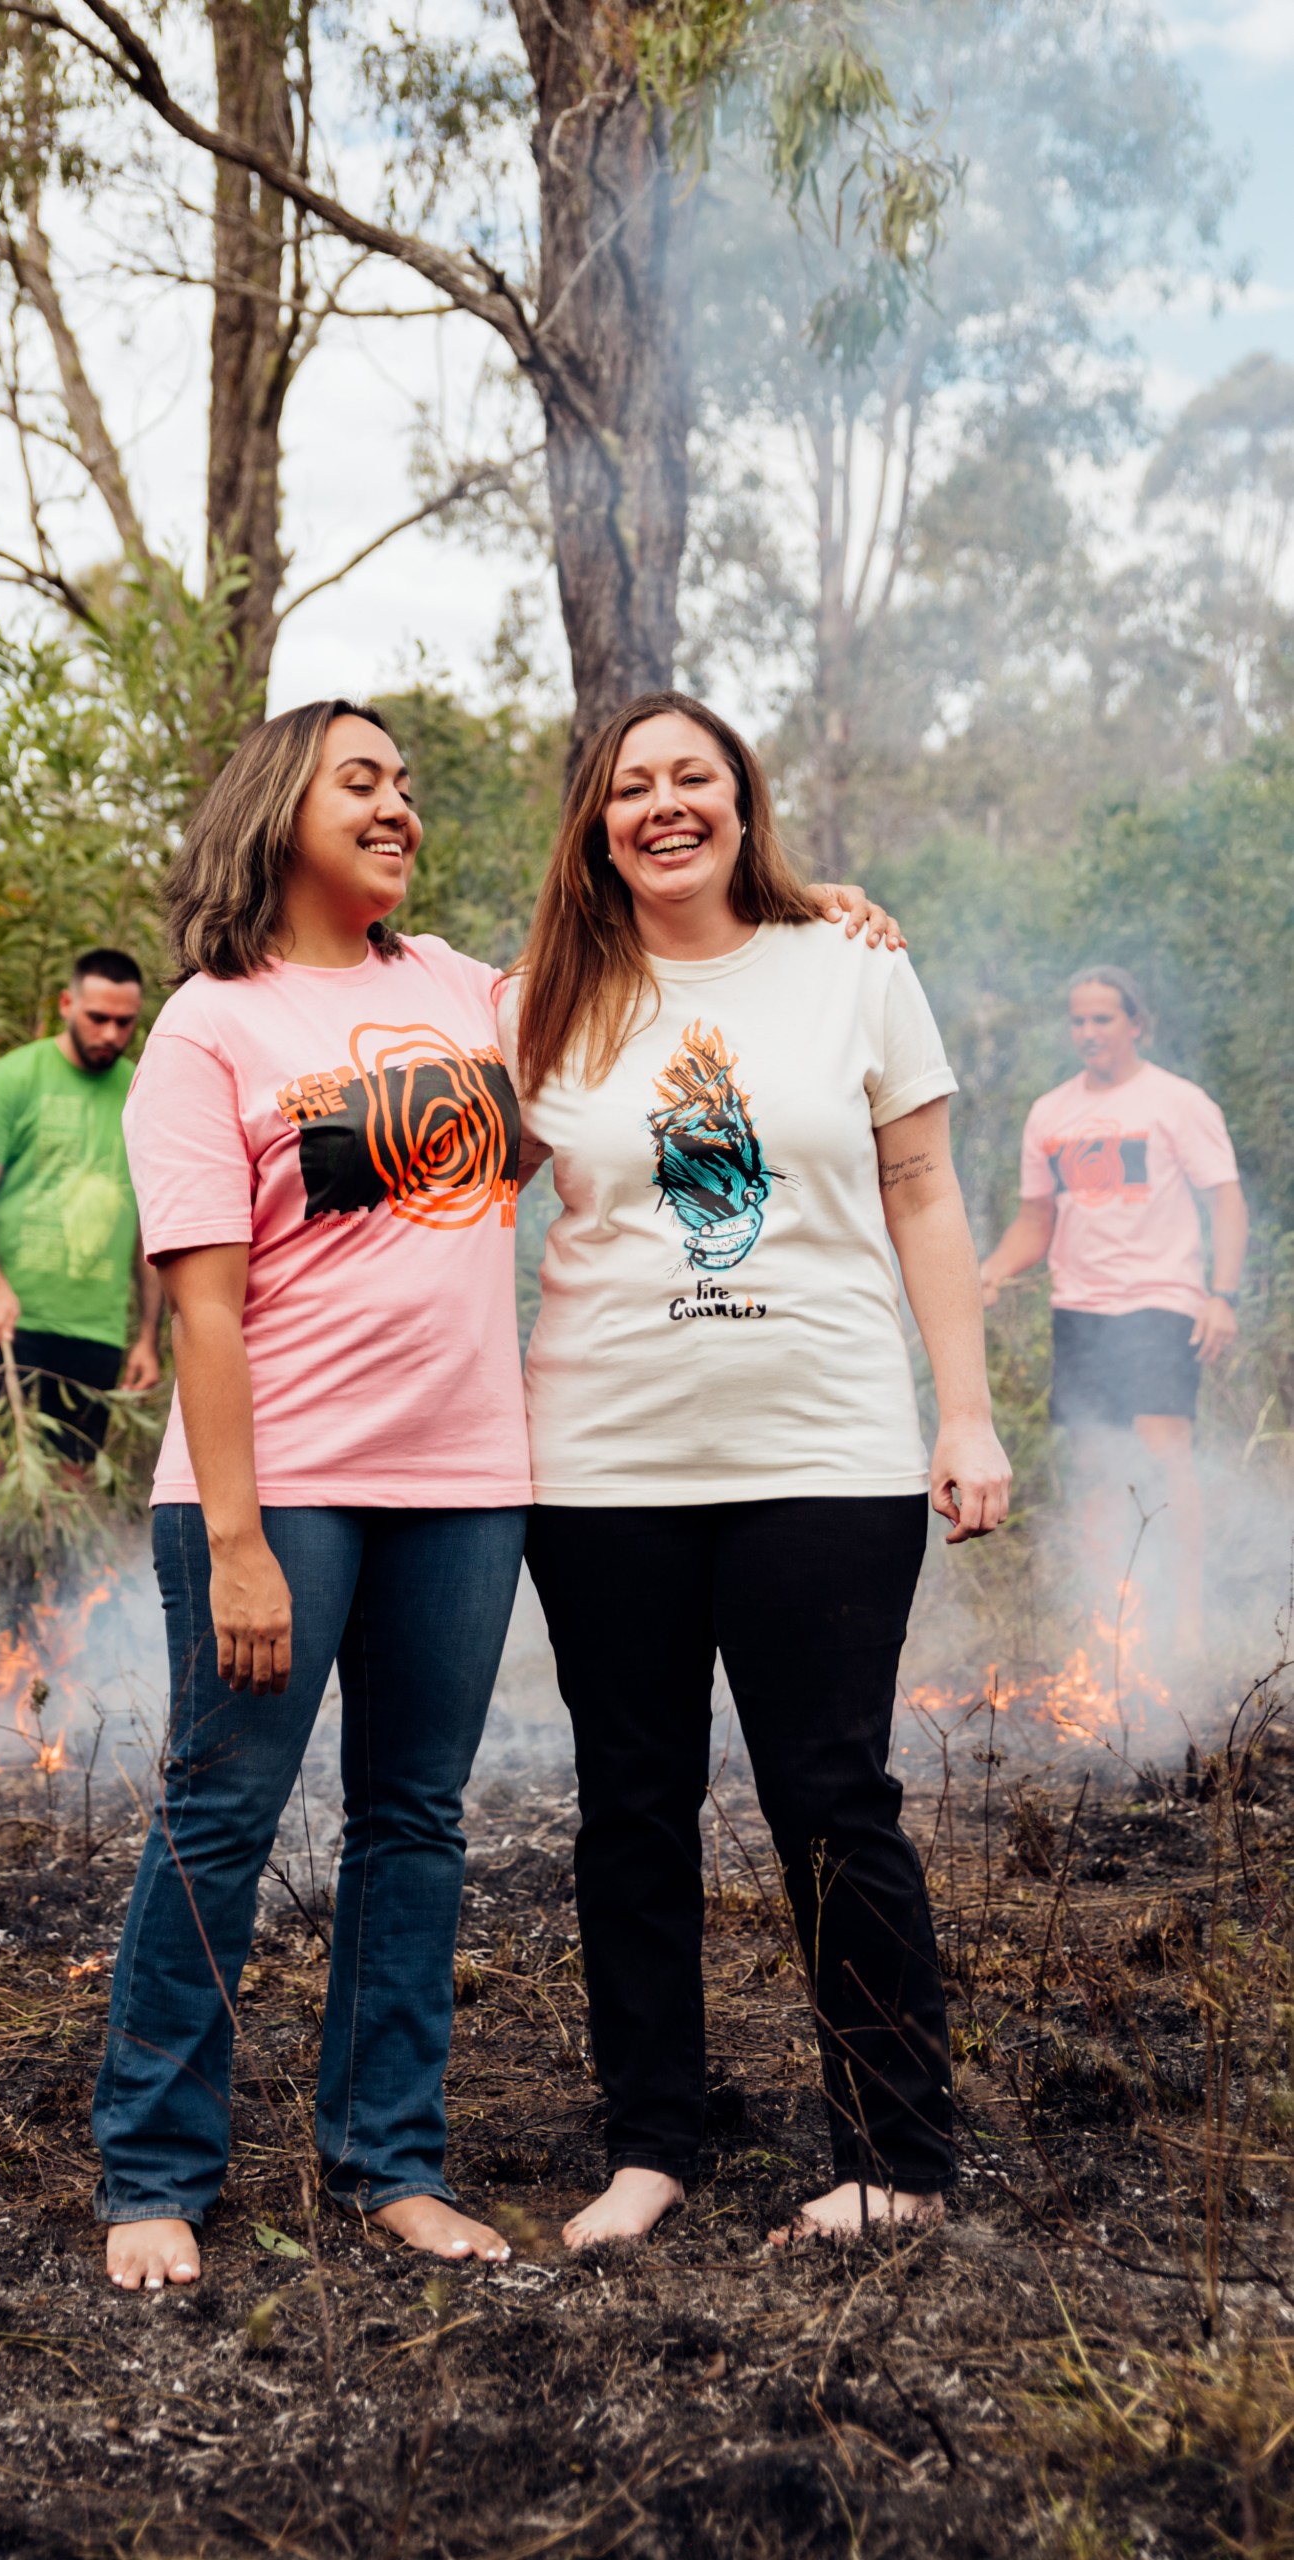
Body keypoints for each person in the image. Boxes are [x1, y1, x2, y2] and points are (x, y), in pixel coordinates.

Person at [92, 700, 900, 2292]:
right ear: (279, 810)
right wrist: (238, 1542)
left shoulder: (476, 990)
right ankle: (153, 2173)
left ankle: (390, 2160)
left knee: (415, 1823)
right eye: (362, 785)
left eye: (404, 787)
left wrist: (822, 915)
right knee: (219, 1821)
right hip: (283, 1487)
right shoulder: (207, 1026)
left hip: (466, 1478)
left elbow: (666, 997)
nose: (398, 807)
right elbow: (197, 1305)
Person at [501, 690, 1011, 2253]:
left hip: (825, 1450)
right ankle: (650, 2148)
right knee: (628, 1810)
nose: (662, 805)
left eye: (691, 779)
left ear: (740, 801)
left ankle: (894, 2155)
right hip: (598, 1463)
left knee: (835, 1802)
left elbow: (921, 1189)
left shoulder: (849, 964)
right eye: (629, 785)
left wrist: (965, 1412)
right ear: (594, 822)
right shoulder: (534, 999)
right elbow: (452, 1204)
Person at [979, 966, 1246, 1659]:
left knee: (1165, 1454)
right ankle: (1112, 1621)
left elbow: (1226, 1199)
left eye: (1103, 1019)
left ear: (1136, 1024)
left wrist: (1223, 1294)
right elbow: (1035, 1223)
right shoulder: (1050, 1113)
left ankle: (1186, 1620)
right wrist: (993, 1270)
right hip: (1081, 1309)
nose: (1089, 1032)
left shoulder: (1177, 1103)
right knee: (1096, 1467)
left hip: (1160, 1301)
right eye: (1078, 1020)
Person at [0, 948, 163, 1488]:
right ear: (67, 1003)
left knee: (75, 1476)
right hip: (9, 1317)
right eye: (98, 1018)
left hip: (95, 1325)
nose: (111, 1034)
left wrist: (146, 1337)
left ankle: (51, 1578)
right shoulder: (14, 1077)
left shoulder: (143, 1093)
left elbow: (150, 1225)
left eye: (124, 1022)